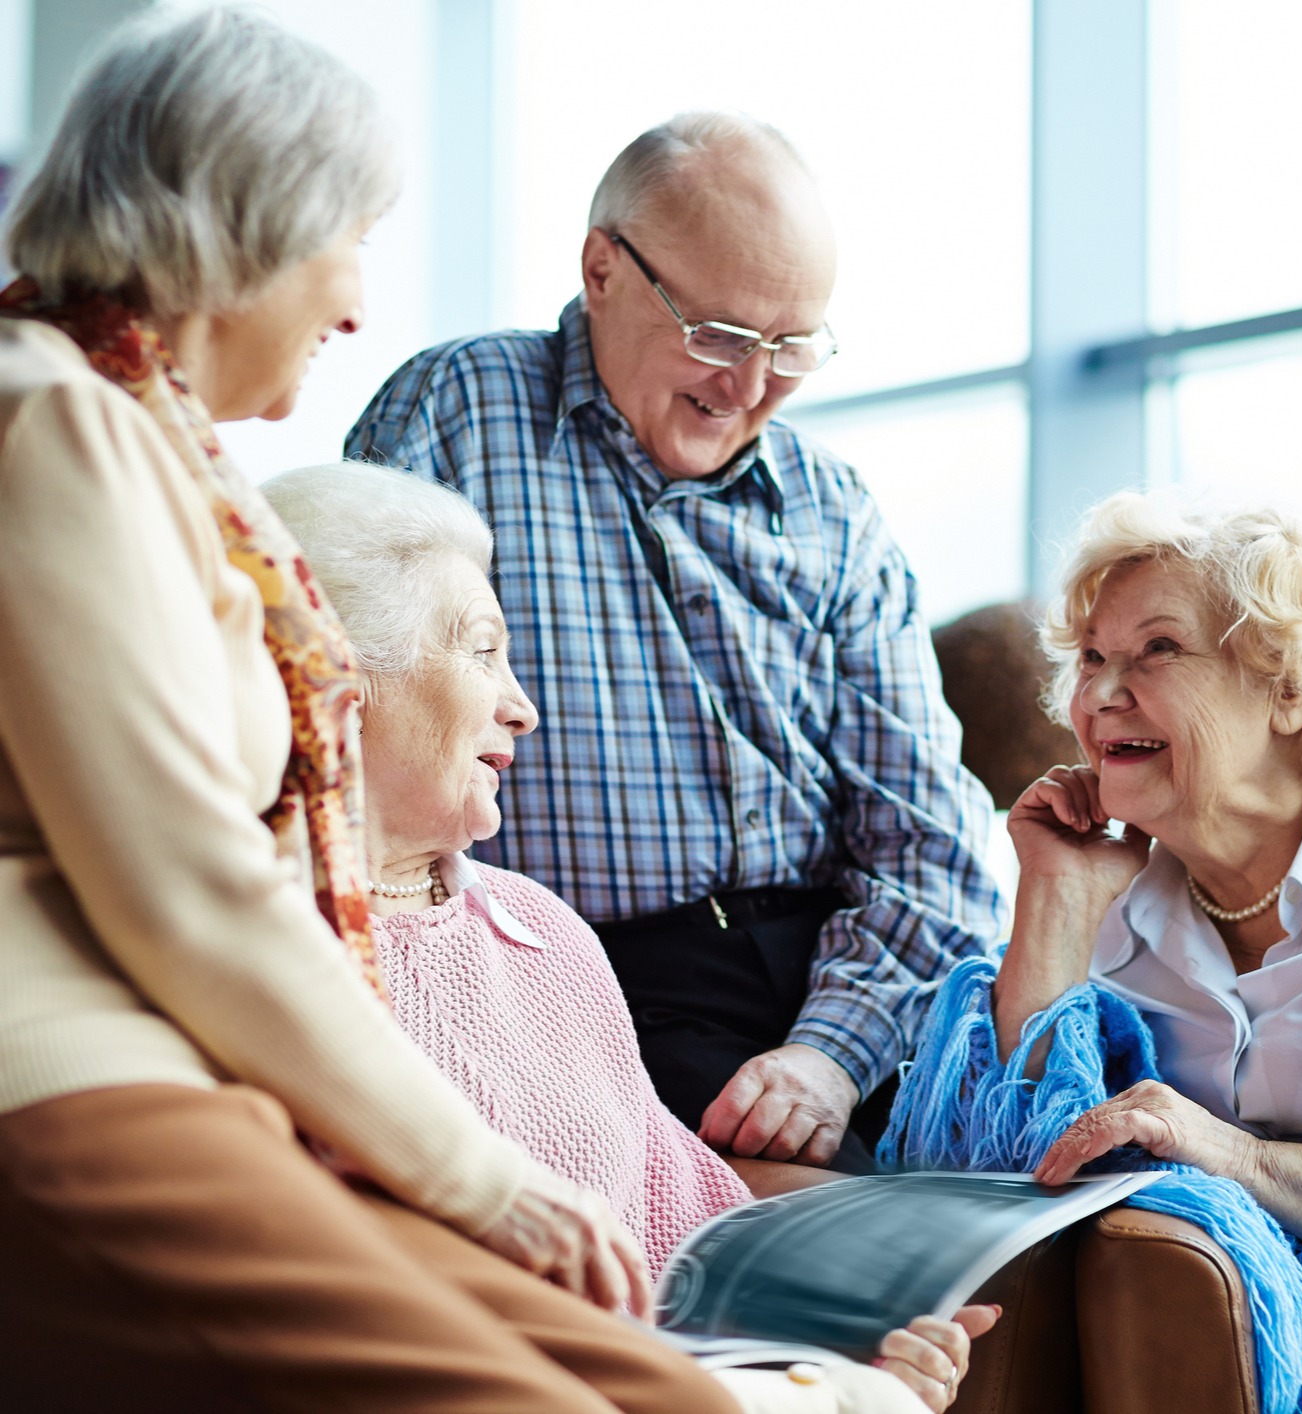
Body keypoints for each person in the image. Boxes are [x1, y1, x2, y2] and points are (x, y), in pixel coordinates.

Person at [0, 11, 774, 1412]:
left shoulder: (157, 451)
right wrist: (480, 1179)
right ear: (241, 224)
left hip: (195, 1078)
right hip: (65, 1080)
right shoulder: (49, 417)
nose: (355, 300)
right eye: (344, 239)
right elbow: (191, 890)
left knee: (684, 1396)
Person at [264, 459, 1002, 1414]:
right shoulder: (246, 951)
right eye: (483, 653)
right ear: (338, 676)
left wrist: (839, 1346)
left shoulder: (543, 934)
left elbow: (685, 1230)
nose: (523, 707)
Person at [346, 112, 1005, 1172]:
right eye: (721, 334)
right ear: (601, 269)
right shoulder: (461, 408)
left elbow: (935, 843)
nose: (750, 387)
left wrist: (829, 1058)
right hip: (577, 978)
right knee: (846, 1259)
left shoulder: (833, 507)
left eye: (791, 347)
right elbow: (359, 720)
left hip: (842, 983)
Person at [881, 492, 1302, 1414]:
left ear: (1291, 685)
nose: (1099, 694)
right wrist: (1056, 898)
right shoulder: (1111, 895)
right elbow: (985, 1184)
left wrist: (1233, 1157)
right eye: (1090, 658)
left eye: (1157, 650)